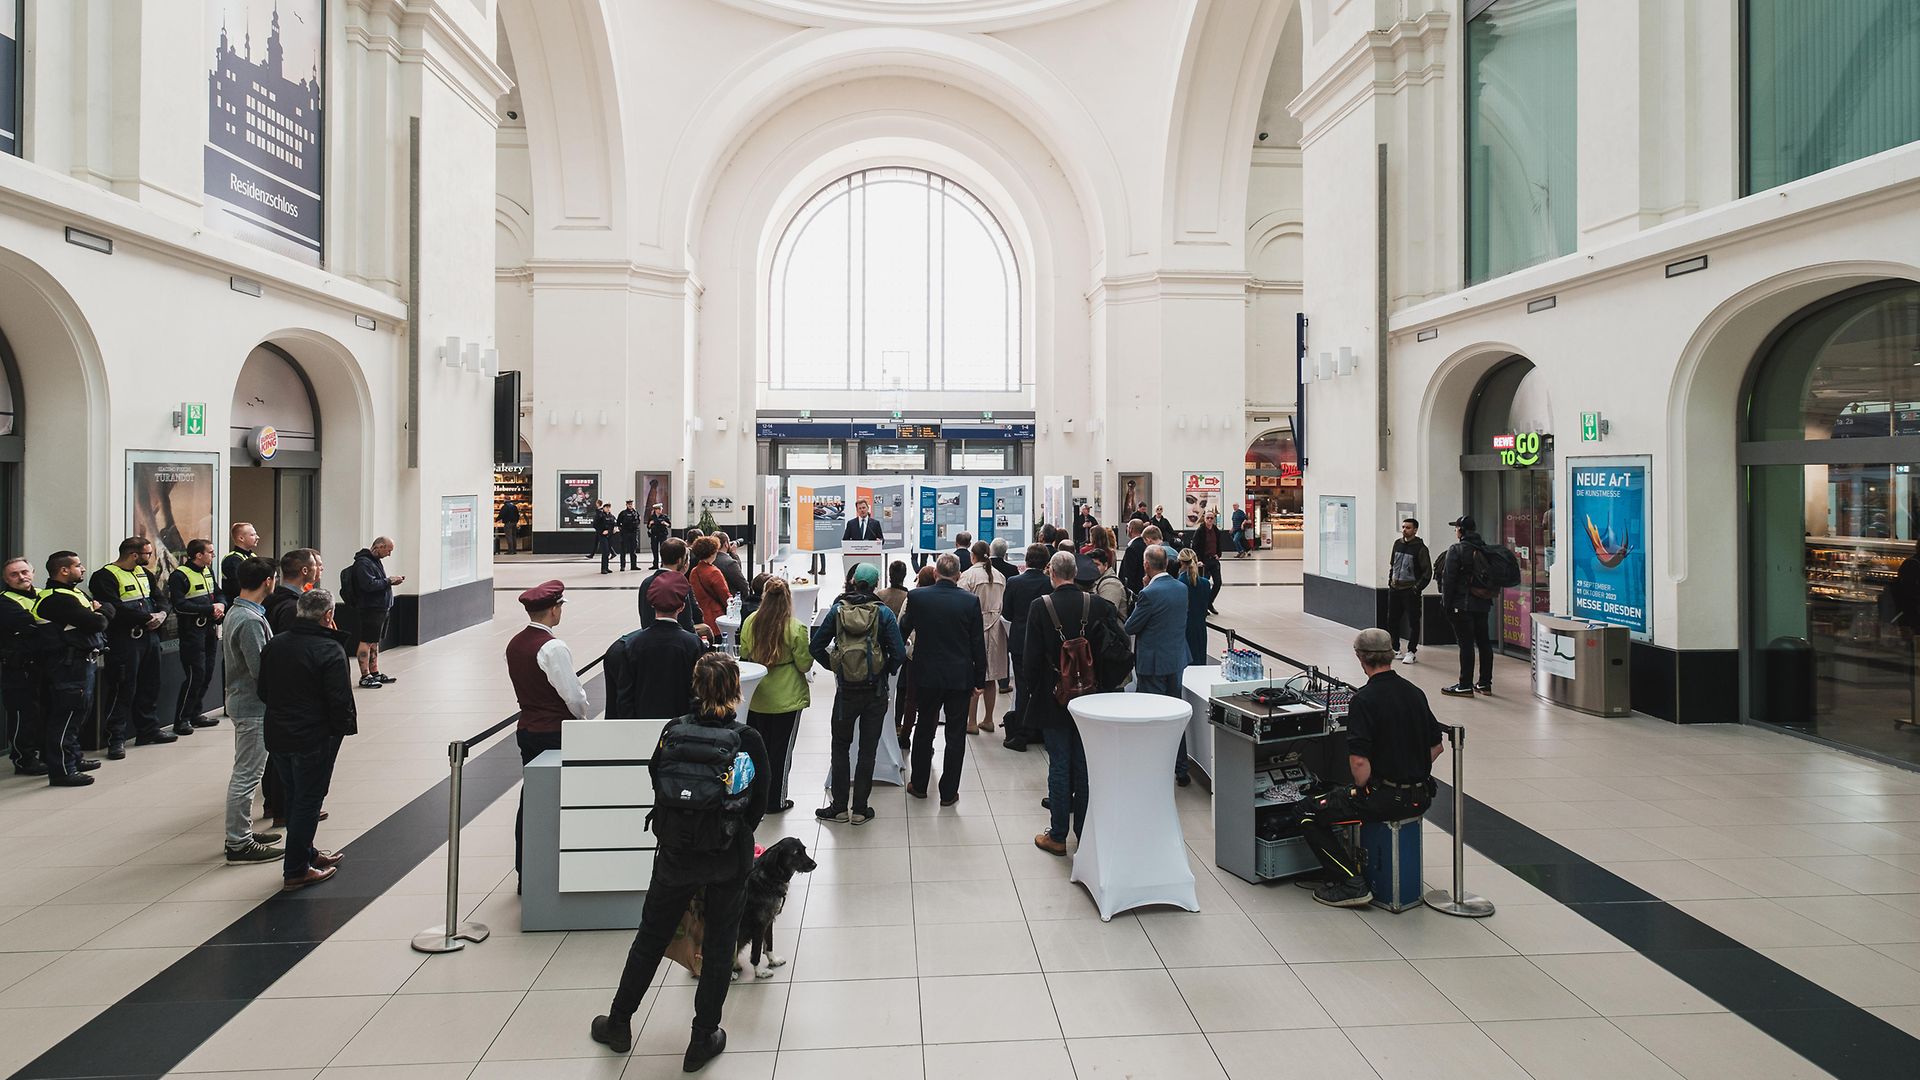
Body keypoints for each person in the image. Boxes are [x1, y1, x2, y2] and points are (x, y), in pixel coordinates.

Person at [591, 653, 768, 1071]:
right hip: (727, 859)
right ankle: (703, 1037)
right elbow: (758, 806)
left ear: (696, 687)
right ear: (735, 690)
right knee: (721, 944)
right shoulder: (747, 739)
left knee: (651, 937)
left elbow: (657, 779)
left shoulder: (672, 731)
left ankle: (618, 1022)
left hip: (674, 855)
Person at [1295, 628, 1444, 908]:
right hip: (1420, 796)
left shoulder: (1364, 699)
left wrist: (1361, 788)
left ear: (1360, 657)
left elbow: (1359, 764)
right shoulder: (1415, 693)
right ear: (1390, 655)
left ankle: (1350, 881)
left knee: (1307, 811)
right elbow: (1437, 747)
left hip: (1384, 799)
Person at [1024, 551, 1124, 854]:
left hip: (1055, 698)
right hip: (1090, 698)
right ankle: (1084, 832)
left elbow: (1030, 659)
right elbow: (1116, 647)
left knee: (1059, 764)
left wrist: (1035, 691)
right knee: (1084, 764)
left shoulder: (1040, 607)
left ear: (1052, 573)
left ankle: (1057, 835)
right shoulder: (1097, 605)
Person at [260, 588, 356, 892]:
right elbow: (339, 700)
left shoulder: (275, 644)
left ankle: (307, 852)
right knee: (308, 800)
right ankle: (297, 869)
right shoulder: (329, 649)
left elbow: (263, 689)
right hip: (313, 736)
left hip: (278, 732)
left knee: (294, 795)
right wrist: (339, 732)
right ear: (328, 616)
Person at [810, 562, 906, 824]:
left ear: (852, 582)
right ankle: (861, 809)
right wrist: (883, 671)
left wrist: (837, 668)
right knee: (867, 749)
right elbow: (898, 653)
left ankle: (839, 807)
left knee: (840, 746)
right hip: (875, 692)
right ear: (876, 585)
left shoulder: (838, 610)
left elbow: (816, 646)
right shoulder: (883, 613)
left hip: (845, 693)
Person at [508, 580, 590, 878]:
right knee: (559, 797)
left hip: (527, 728)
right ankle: (554, 866)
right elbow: (573, 696)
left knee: (531, 796)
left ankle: (526, 866)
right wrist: (582, 718)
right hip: (554, 732)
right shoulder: (552, 647)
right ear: (554, 610)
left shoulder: (515, 642)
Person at [899, 553, 987, 806]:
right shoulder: (970, 602)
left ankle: (919, 784)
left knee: (924, 729)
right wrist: (979, 680)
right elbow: (977, 644)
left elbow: (903, 630)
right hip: (960, 677)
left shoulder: (917, 597)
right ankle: (949, 792)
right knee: (955, 735)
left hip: (926, 675)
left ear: (936, 573)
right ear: (959, 575)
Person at [221, 556, 283, 863]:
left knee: (246, 771)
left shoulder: (240, 611)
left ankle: (241, 831)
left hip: (244, 702)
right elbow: (262, 669)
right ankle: (238, 843)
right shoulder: (249, 621)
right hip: (252, 707)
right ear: (268, 581)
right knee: (247, 775)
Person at [92, 536, 171, 756]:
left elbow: (160, 597)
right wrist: (146, 617)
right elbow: (114, 608)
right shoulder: (104, 576)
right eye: (147, 553)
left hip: (150, 638)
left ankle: (148, 729)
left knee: (150, 684)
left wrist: (162, 613)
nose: (150, 557)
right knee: (123, 687)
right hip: (124, 640)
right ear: (134, 554)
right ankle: (115, 738)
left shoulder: (144, 573)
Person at [739, 578, 812, 813]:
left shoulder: (751, 622)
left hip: (758, 697)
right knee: (781, 752)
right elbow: (804, 664)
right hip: (787, 699)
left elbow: (744, 653)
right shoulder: (795, 627)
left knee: (758, 751)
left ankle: (755, 798)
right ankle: (776, 800)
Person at [34, 553, 107, 786]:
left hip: (82, 662)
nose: (83, 569)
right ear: (63, 570)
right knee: (66, 717)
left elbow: (101, 616)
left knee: (78, 715)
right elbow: (98, 622)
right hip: (68, 665)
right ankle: (62, 769)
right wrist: (100, 613)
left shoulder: (74, 594)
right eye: (78, 566)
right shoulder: (56, 599)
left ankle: (73, 757)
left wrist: (99, 612)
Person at [1124, 544, 1193, 786]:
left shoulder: (1149, 594)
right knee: (1175, 716)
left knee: (1152, 718)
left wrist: (1143, 593)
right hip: (1175, 660)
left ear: (1146, 565)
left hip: (1152, 664)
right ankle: (1181, 768)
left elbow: (1131, 626)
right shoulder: (1181, 589)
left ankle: (1154, 769)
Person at [609, 574, 706, 719]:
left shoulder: (632, 645)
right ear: (682, 607)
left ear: (652, 604)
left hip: (642, 725)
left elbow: (625, 697)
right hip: (681, 728)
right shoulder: (693, 643)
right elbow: (698, 692)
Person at [1000, 543, 1053, 753]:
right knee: (1044, 686)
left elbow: (1008, 613)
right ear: (1046, 563)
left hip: (1021, 641)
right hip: (1043, 643)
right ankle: (1044, 732)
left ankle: (1021, 735)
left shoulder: (1014, 582)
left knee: (1022, 688)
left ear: (1027, 560)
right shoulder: (1049, 584)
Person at [168, 539, 225, 732]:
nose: (213, 555)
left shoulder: (208, 571)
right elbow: (180, 605)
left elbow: (218, 593)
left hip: (209, 628)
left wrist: (221, 605)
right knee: (195, 674)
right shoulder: (179, 575)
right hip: (192, 631)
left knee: (208, 672)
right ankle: (182, 719)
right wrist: (209, 608)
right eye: (210, 552)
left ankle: (195, 713)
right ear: (198, 555)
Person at [1437, 516, 1494, 697]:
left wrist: (1446, 603)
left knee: (1466, 645)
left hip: (1462, 604)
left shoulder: (1457, 549)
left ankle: (1465, 685)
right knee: (1484, 643)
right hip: (1483, 603)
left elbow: (1449, 579)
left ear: (1461, 530)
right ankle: (1485, 684)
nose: (1455, 531)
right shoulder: (1484, 548)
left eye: (1456, 528)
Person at [2, 557, 48, 776]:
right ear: (6, 579)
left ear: (33, 572)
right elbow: (30, 626)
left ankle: (49, 754)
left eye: (24, 572)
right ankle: (24, 760)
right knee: (23, 714)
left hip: (46, 664)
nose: (21, 577)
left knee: (48, 711)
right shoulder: (5, 602)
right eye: (14, 574)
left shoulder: (45, 594)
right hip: (18, 668)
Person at [958, 541, 1009, 735]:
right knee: (991, 678)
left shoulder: (968, 575)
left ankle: (971, 721)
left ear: (973, 556)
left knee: (974, 675)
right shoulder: (1000, 576)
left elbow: (961, 602)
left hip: (975, 627)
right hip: (996, 627)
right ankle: (988, 719)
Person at [344, 537, 402, 689]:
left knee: (374, 641)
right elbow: (368, 585)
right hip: (371, 608)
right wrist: (389, 581)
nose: (389, 554)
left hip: (380, 607)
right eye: (388, 550)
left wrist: (389, 581)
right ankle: (365, 675)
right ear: (380, 546)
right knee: (366, 641)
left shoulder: (374, 561)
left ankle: (374, 671)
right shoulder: (363, 563)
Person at [1386, 518, 1433, 665]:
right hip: (1395, 588)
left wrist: (1416, 588)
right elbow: (1392, 564)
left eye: (1408, 527)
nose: (1404, 530)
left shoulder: (1420, 548)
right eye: (1403, 527)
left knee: (1413, 621)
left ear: (1415, 530)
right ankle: (1395, 648)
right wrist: (1390, 580)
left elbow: (1427, 572)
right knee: (1392, 619)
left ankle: (1411, 651)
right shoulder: (1397, 544)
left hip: (1409, 590)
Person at [639, 538, 703, 632]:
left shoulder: (646, 583)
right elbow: (689, 621)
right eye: (687, 559)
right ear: (680, 560)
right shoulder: (680, 585)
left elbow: (644, 617)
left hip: (649, 639)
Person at [267, 548, 323, 632]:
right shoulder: (294, 606)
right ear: (305, 570)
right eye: (315, 565)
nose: (319, 569)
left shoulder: (275, 597)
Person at [688, 536, 732, 639]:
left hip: (702, 616)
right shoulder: (714, 572)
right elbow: (725, 595)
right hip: (716, 616)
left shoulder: (694, 571)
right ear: (713, 552)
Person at [1175, 549, 1212, 666]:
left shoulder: (1178, 584)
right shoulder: (1206, 584)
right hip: (1200, 629)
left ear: (1180, 563)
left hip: (1183, 630)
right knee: (1200, 663)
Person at [1190, 510, 1225, 614]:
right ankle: (1203, 606)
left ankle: (1209, 602)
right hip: (1203, 561)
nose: (1210, 520)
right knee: (1204, 584)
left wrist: (1218, 554)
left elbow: (1218, 544)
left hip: (1213, 560)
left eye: (1211, 518)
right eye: (1208, 518)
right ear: (1204, 519)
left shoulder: (1216, 530)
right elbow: (1195, 546)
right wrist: (1198, 560)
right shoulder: (1200, 531)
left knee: (1218, 583)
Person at [220, 521, 261, 602]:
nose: (257, 537)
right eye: (253, 535)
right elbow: (238, 587)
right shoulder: (232, 559)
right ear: (241, 538)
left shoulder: (252, 555)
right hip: (238, 603)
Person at [1090, 546, 1130, 618]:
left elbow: (1106, 614)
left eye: (1096, 565)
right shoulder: (1096, 580)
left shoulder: (1111, 584)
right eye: (1090, 565)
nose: (1093, 568)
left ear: (1105, 565)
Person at [1119, 519, 1148, 597]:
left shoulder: (1132, 549)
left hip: (1134, 591)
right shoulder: (1145, 545)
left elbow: (1129, 573)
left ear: (1131, 529)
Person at [617, 499, 642, 571]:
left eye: (631, 504)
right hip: (625, 533)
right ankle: (622, 566)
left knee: (633, 551)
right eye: (629, 504)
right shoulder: (623, 513)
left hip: (633, 533)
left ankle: (633, 566)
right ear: (626, 505)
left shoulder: (636, 513)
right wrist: (621, 530)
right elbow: (618, 522)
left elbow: (638, 521)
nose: (630, 505)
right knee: (623, 551)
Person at [594, 503, 618, 574]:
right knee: (605, 551)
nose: (608, 509)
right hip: (603, 536)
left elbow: (615, 524)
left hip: (610, 536)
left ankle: (607, 567)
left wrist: (615, 529)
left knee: (607, 552)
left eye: (609, 507)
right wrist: (601, 531)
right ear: (603, 508)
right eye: (606, 507)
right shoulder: (600, 516)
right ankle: (603, 568)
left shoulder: (611, 516)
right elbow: (595, 525)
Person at [647, 503, 672, 569]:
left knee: (663, 550)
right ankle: (655, 564)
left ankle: (663, 564)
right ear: (656, 510)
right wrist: (650, 524)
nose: (661, 510)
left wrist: (665, 523)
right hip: (654, 535)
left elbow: (670, 525)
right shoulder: (652, 517)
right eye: (659, 509)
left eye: (661, 509)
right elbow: (648, 527)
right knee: (654, 550)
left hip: (662, 535)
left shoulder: (664, 516)